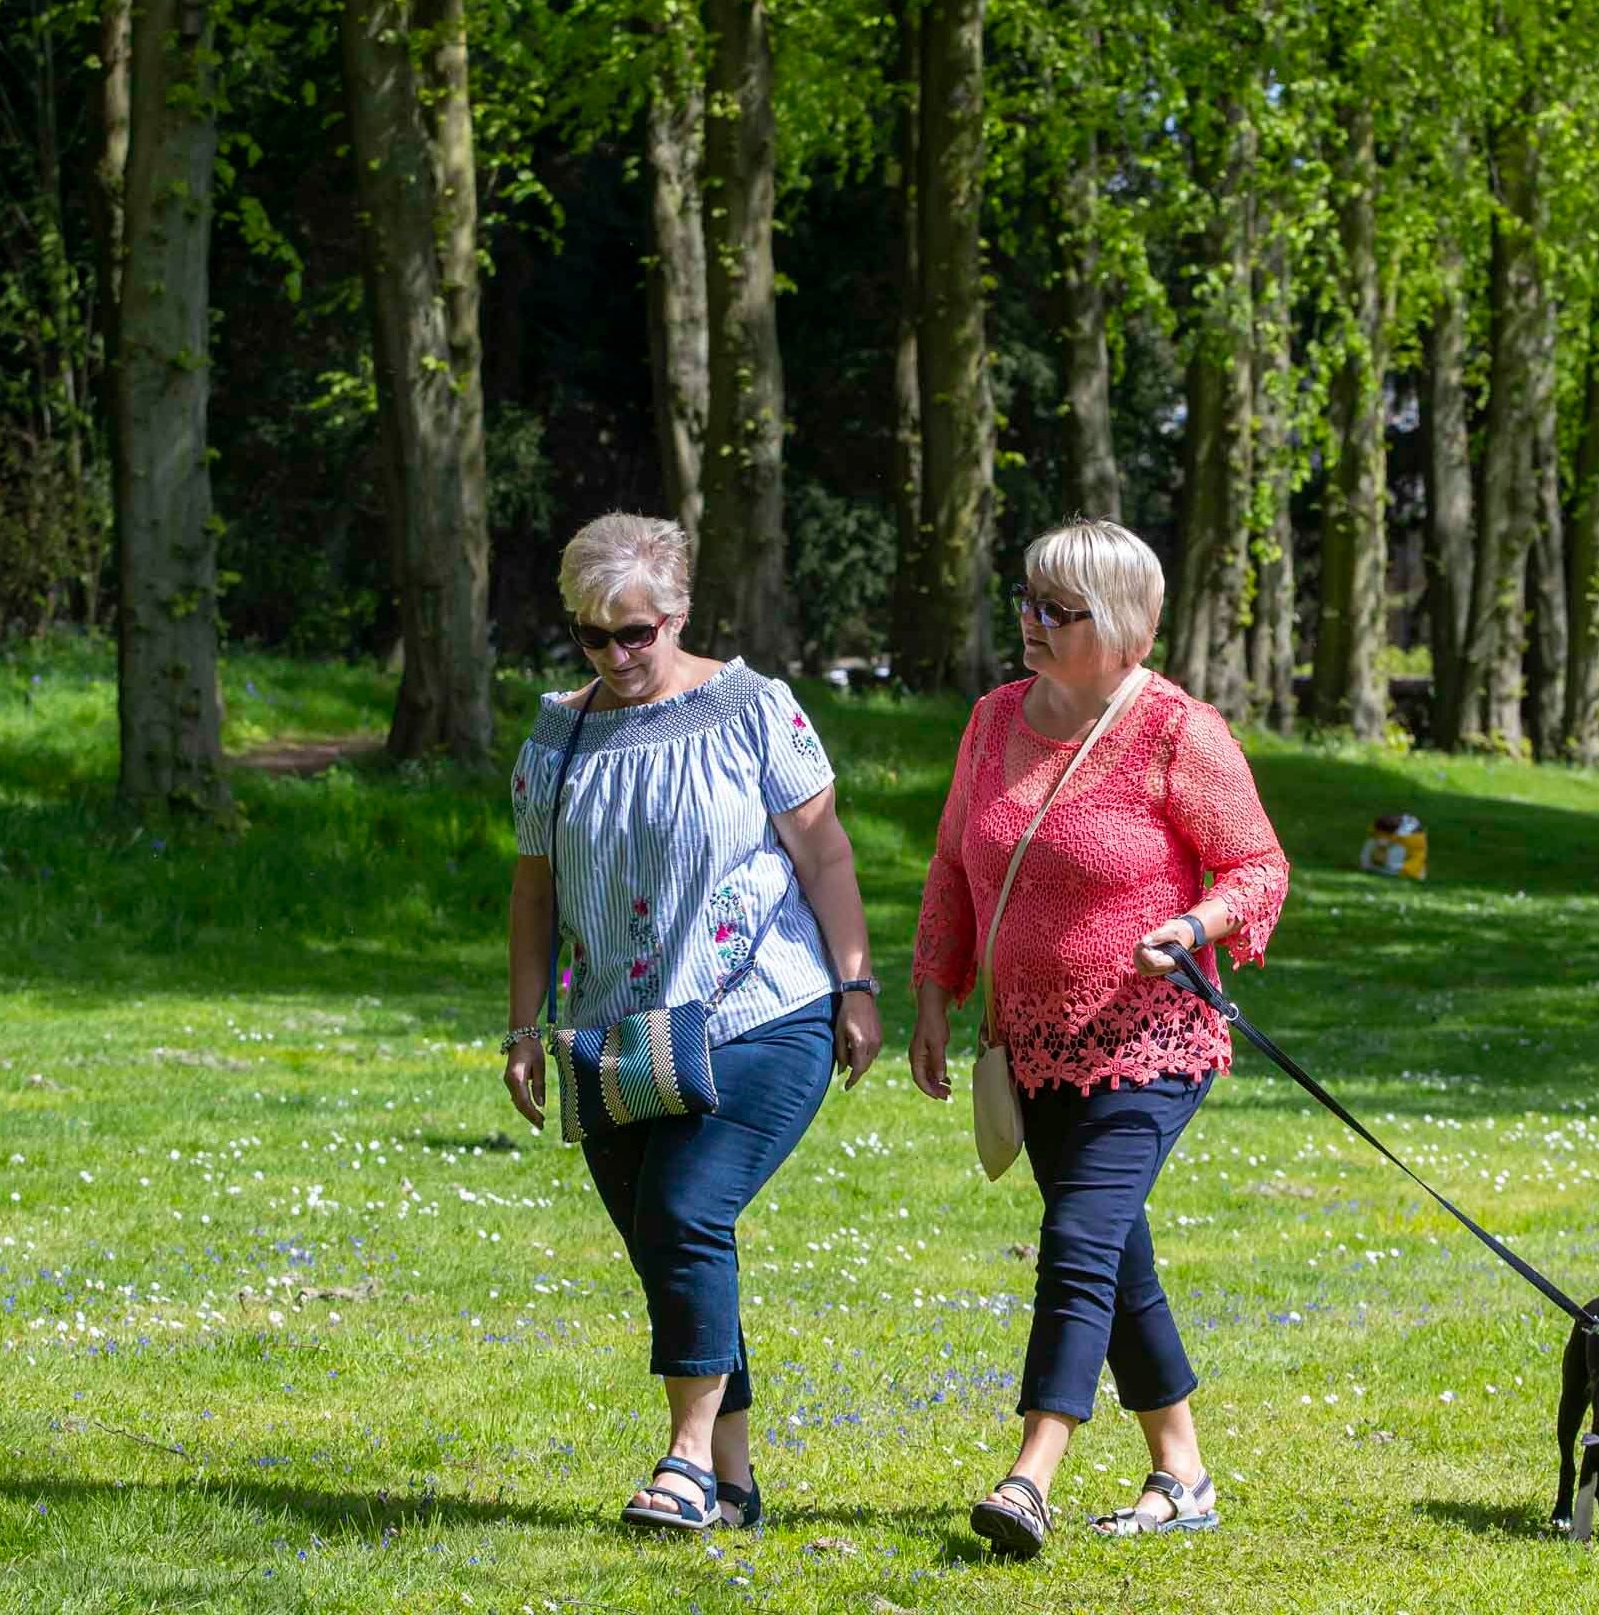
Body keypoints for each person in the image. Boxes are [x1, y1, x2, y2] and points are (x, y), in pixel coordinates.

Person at [909, 517, 1291, 1560]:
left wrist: (1196, 924)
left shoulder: (1178, 731)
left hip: (1150, 1041)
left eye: (1056, 609)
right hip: (1027, 1046)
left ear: (1121, 625)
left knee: (1078, 1239)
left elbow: (1258, 868)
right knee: (1113, 1254)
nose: (1028, 621)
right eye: (1025, 599)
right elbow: (953, 863)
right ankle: (1183, 1468)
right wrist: (935, 990)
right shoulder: (993, 722)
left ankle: (1030, 1475)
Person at [501, 513, 884, 1532]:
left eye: (638, 633)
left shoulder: (755, 710)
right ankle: (735, 1483)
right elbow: (532, 891)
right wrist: (522, 1026)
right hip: (619, 1038)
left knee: (684, 1214)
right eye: (595, 636)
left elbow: (828, 857)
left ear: (675, 614)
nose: (619, 656)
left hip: (766, 1012)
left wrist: (856, 985)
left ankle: (681, 1462)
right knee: (670, 1248)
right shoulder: (557, 733)